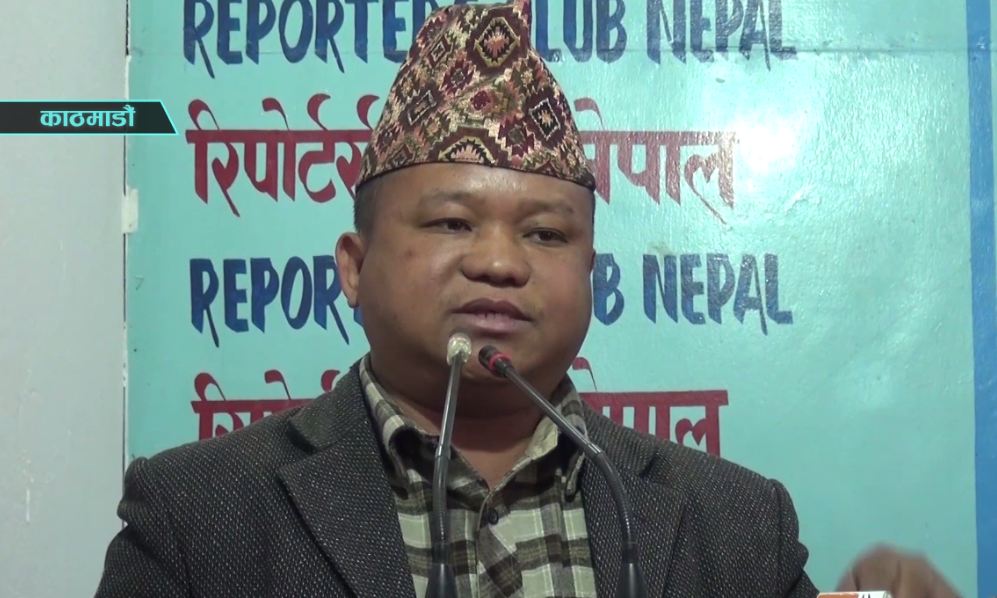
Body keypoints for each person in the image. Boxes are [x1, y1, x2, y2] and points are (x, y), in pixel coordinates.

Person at [96, 1, 960, 596]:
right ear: (354, 268)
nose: (499, 263)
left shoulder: (732, 522)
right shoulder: (199, 515)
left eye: (545, 235)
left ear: (591, 274)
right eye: (450, 224)